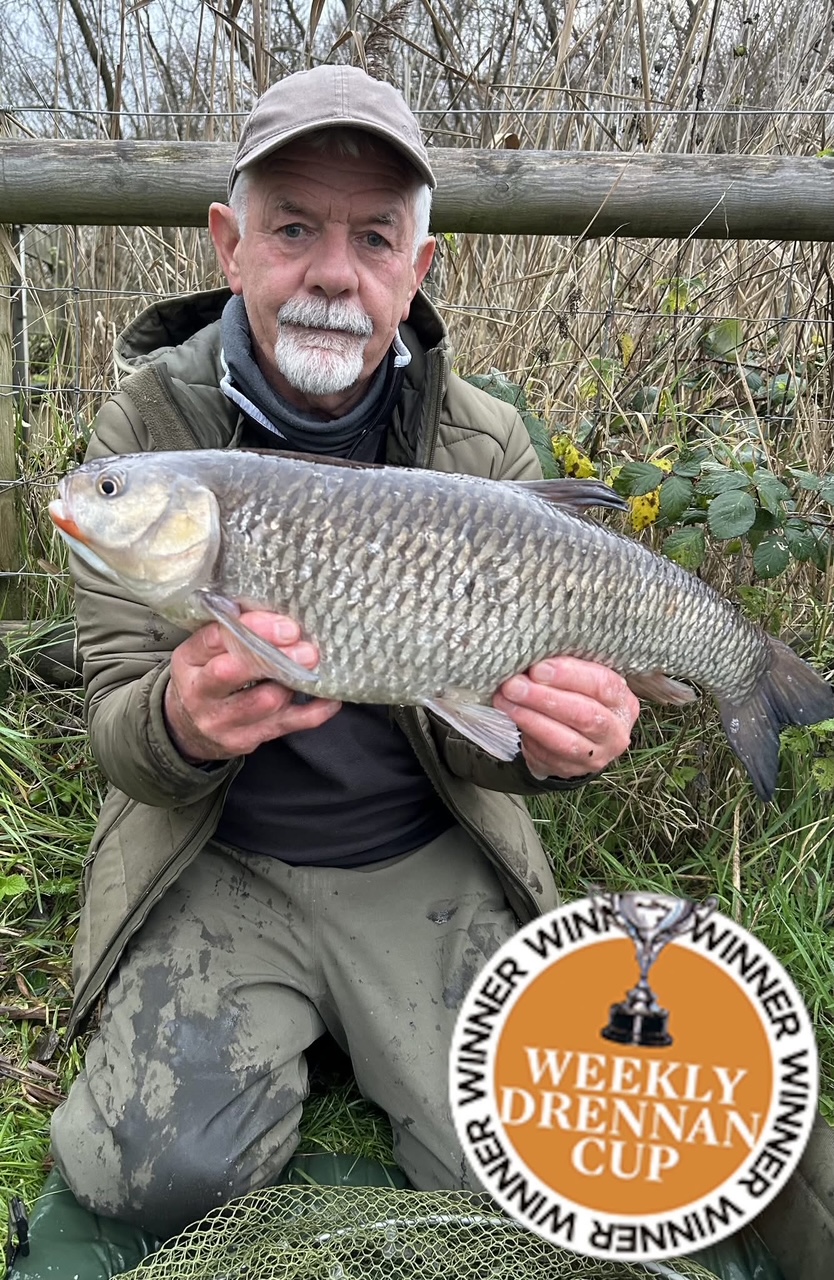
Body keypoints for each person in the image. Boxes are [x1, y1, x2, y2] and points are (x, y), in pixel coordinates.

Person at [42, 64, 832, 1280]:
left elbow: (489, 735)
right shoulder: (149, 431)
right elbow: (112, 723)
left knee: (543, 1158)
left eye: (374, 238)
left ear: (419, 263)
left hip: (424, 849)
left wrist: (565, 742)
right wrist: (183, 723)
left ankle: (751, 677)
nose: (332, 272)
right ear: (230, 242)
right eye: (294, 227)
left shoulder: (486, 441)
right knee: (143, 1170)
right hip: (218, 851)